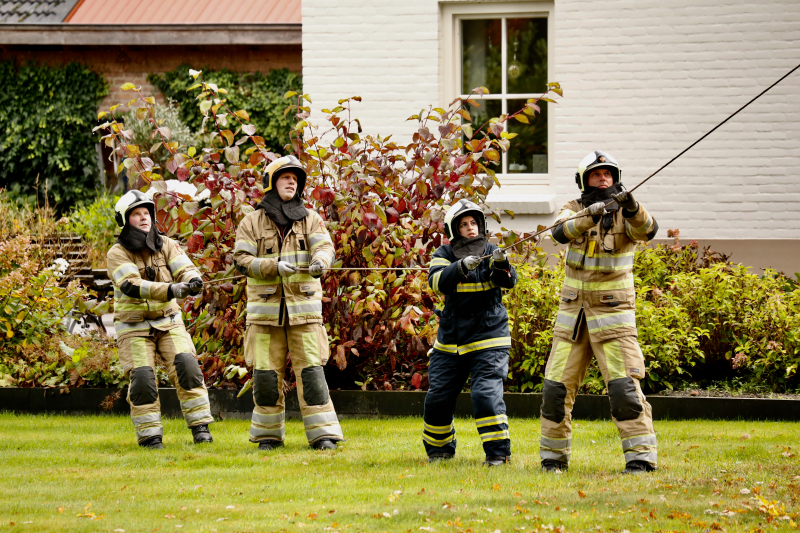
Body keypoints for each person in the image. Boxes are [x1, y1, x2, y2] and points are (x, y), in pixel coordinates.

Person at [540, 150, 659, 474]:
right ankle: (553, 459)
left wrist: (632, 207)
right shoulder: (573, 209)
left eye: (608, 174)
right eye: (596, 174)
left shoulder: (628, 213)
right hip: (573, 319)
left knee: (624, 389)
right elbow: (559, 232)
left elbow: (648, 230)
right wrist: (589, 215)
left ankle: (640, 459)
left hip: (613, 318)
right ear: (584, 181)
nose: (603, 178)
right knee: (555, 389)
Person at [233, 155, 343, 451]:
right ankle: (268, 437)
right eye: (285, 177)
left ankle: (323, 436)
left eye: (296, 178)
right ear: (271, 183)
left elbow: (324, 247)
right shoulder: (251, 222)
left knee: (312, 376)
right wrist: (273, 266)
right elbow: (241, 261)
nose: (292, 181)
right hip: (265, 317)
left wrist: (321, 262)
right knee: (267, 379)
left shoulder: (312, 219)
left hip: (304, 314)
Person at [107, 190, 211, 449]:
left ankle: (200, 428)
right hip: (133, 326)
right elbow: (131, 285)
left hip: (168, 320)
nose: (144, 218)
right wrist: (169, 290)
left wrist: (192, 280)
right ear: (124, 220)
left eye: (147, 213)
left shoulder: (166, 243)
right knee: (142, 379)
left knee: (187, 365)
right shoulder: (116, 253)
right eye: (136, 214)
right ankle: (150, 437)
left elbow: (184, 267)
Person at [423, 199, 517, 466]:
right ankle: (439, 451)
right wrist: (461, 266)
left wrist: (501, 264)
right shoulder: (443, 253)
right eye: (464, 224)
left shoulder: (492, 250)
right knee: (438, 397)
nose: (471, 228)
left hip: (489, 337)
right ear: (454, 230)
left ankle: (498, 454)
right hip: (450, 340)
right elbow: (437, 282)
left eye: (474, 223)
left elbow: (508, 282)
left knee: (486, 395)